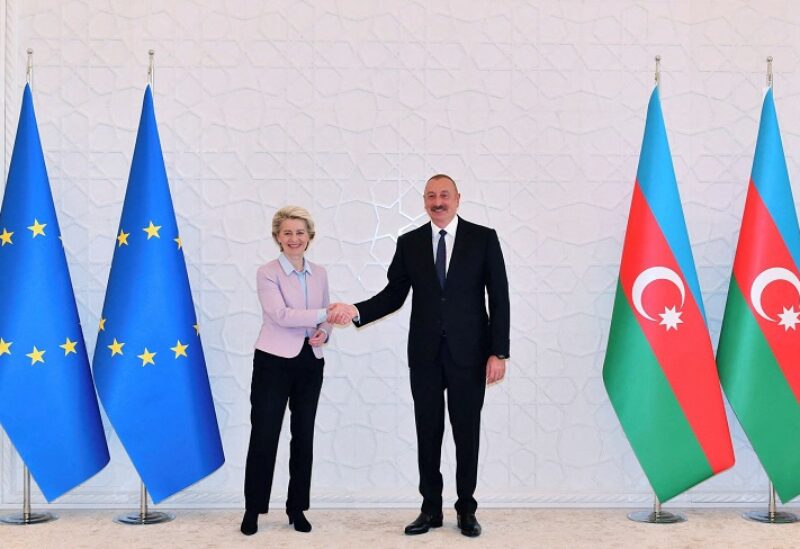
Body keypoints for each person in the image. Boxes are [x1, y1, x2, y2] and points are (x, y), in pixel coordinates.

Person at [329, 174, 510, 537]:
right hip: (425, 355)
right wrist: (356, 310)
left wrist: (498, 351)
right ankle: (430, 509)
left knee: (466, 434)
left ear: (458, 198)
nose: (437, 201)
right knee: (428, 433)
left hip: (470, 355)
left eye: (444, 195)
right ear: (424, 201)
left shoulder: (483, 238)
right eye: (431, 196)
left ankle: (466, 510)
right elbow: (394, 294)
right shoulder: (409, 242)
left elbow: (499, 297)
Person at [241, 206, 332, 536]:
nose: (294, 238)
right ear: (277, 237)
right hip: (273, 361)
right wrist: (326, 312)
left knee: (303, 436)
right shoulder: (267, 272)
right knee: (264, 434)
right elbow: (280, 314)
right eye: (287, 233)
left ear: (310, 236)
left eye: (300, 232)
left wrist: (326, 330)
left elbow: (321, 319)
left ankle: (297, 509)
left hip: (310, 360)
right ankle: (253, 509)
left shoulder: (319, 272)